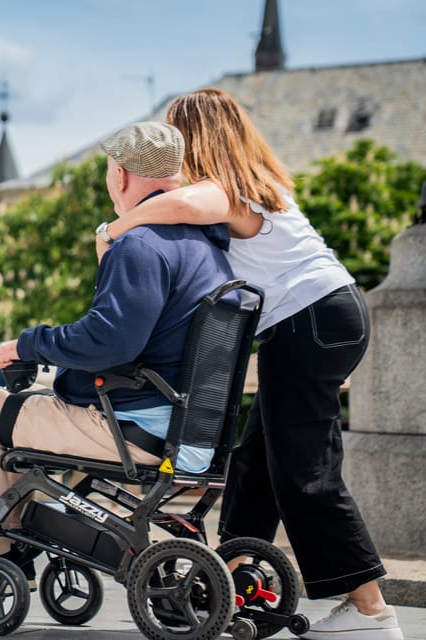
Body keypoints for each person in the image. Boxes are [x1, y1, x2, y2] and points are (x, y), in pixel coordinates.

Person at [101, 88, 403, 640]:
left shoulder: (228, 190)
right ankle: (234, 582)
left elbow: (186, 205)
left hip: (309, 323)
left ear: (195, 138)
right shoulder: (257, 184)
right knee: (255, 464)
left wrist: (115, 229)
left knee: (305, 473)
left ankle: (370, 612)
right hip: (322, 320)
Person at [0, 121, 234, 593]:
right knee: (24, 404)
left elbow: (110, 342)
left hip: (134, 428)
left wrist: (27, 344)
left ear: (119, 176)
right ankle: (22, 536)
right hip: (191, 430)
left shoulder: (141, 246)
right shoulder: (209, 250)